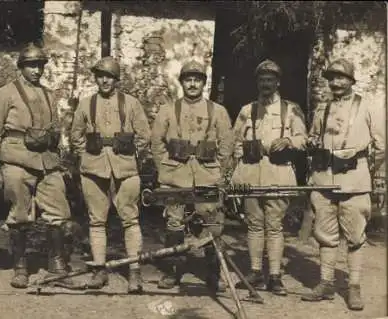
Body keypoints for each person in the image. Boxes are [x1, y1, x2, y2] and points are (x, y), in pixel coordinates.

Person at [0, 43, 82, 290]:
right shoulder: (5, 94)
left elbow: (54, 127)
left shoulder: (48, 94)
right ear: (21, 67)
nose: (36, 70)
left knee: (59, 210)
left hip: (46, 160)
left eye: (40, 66)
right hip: (16, 158)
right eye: (31, 65)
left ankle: (56, 263)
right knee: (20, 214)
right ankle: (20, 267)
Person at [301, 59, 385, 310]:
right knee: (325, 235)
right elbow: (314, 137)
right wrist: (311, 144)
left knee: (355, 237)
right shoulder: (322, 109)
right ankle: (326, 283)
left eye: (341, 78)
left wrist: (364, 171)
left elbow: (381, 146)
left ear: (351, 80)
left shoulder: (368, 107)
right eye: (332, 78)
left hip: (354, 181)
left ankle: (354, 287)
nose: (336, 83)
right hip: (324, 179)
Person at [70, 56, 151, 293]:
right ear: (96, 78)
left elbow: (144, 135)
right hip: (93, 168)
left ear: (116, 80)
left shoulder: (131, 103)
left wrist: (130, 150)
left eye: (109, 76)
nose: (104, 80)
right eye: (100, 76)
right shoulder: (86, 104)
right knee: (96, 220)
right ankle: (99, 270)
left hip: (126, 168)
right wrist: (87, 155)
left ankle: (134, 271)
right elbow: (76, 135)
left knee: (130, 218)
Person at [150, 60, 233, 292]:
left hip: (207, 177)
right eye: (188, 79)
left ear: (204, 83)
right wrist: (165, 170)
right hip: (176, 176)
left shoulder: (218, 111)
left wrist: (217, 171)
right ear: (182, 83)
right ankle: (173, 272)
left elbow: (227, 144)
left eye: (197, 79)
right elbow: (156, 142)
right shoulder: (168, 110)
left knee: (212, 224)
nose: (193, 84)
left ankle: (214, 274)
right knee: (174, 224)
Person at [231, 59, 307, 296]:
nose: (266, 84)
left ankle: (275, 276)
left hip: (279, 172)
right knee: (254, 225)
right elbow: (234, 141)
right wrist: (236, 170)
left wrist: (289, 141)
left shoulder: (291, 109)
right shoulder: (247, 110)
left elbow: (304, 138)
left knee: (274, 226)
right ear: (257, 82)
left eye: (270, 80)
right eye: (262, 80)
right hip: (251, 172)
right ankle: (255, 272)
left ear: (278, 82)